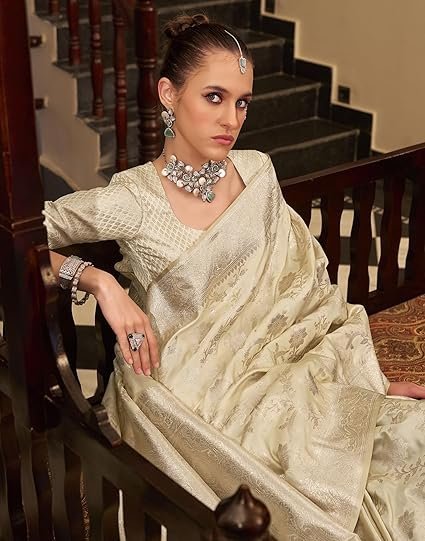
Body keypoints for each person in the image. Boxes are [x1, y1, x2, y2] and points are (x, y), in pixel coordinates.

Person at [43, 14, 425, 541]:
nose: (232, 119)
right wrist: (98, 282)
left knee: (406, 453)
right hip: (201, 401)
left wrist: (365, 383)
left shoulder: (257, 172)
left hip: (287, 379)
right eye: (214, 97)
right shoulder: (133, 199)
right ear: (169, 94)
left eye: (242, 102)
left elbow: (306, 294)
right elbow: (22, 237)